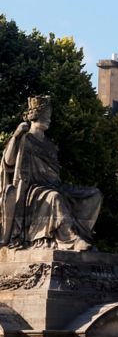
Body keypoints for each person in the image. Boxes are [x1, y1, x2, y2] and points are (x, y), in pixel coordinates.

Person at [0, 95, 101, 250]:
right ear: (35, 115)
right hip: (33, 191)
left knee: (94, 194)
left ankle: (82, 234)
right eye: (46, 116)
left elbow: (54, 174)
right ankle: (69, 238)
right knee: (55, 198)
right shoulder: (24, 139)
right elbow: (8, 161)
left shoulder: (50, 145)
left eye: (49, 116)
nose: (49, 119)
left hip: (54, 186)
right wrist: (16, 135)